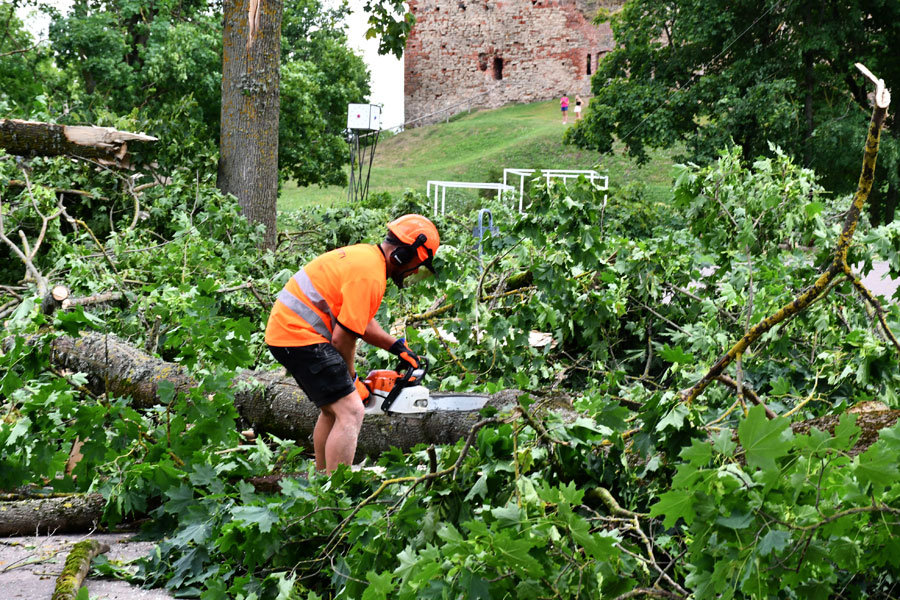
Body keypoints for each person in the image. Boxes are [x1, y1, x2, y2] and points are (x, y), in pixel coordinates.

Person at [265, 214, 440, 473]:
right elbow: (343, 338)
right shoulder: (369, 275)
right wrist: (352, 378)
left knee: (332, 411)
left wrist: (396, 347)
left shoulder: (367, 258)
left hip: (286, 335)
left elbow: (358, 321)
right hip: (300, 336)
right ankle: (336, 489)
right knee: (352, 412)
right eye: (416, 264)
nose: (414, 271)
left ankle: (322, 482)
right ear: (402, 254)